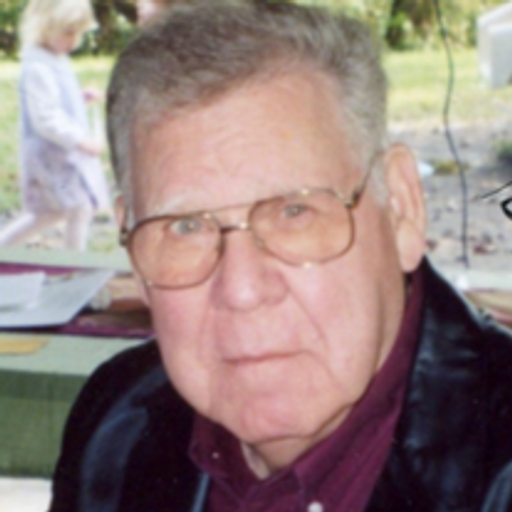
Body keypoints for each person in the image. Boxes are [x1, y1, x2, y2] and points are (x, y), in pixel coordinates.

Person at [49, 2, 512, 511]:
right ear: (134, 250)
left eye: (295, 212)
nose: (242, 290)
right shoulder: (115, 427)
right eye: (186, 227)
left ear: (401, 208)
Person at [0, 0, 110, 251]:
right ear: (45, 27)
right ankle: (71, 263)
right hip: (51, 163)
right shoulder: (38, 67)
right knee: (69, 208)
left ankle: (70, 260)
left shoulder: (54, 58)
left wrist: (79, 99)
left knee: (66, 209)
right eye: (69, 32)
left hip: (61, 160)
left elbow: (54, 101)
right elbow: (45, 118)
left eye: (78, 33)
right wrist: (81, 141)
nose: (75, 41)